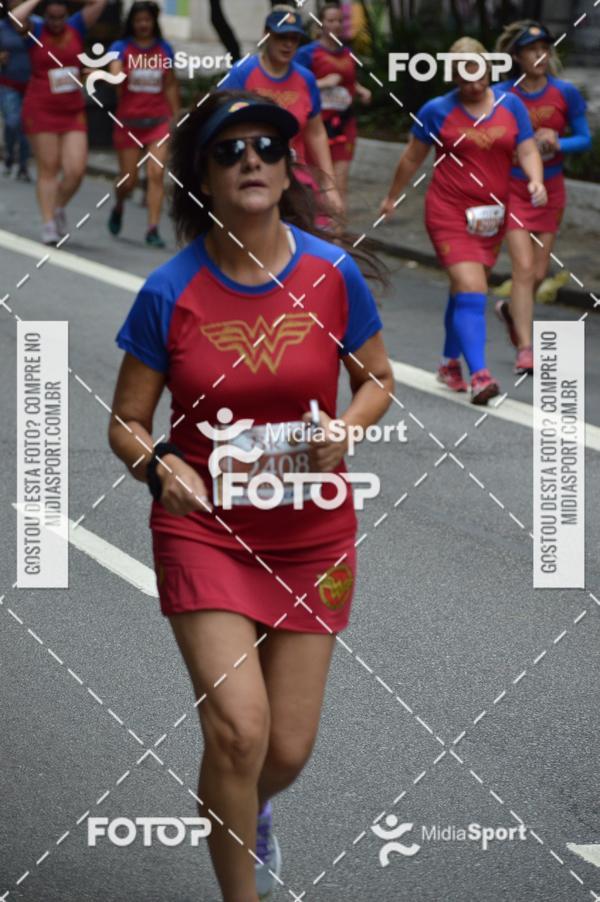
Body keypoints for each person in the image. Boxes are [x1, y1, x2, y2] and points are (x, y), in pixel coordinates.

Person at [109, 90, 393, 901]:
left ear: (286, 163)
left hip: (312, 536)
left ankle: (246, 809)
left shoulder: (331, 275)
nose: (252, 162)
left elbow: (377, 380)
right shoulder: (172, 290)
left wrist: (348, 427)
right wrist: (162, 463)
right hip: (206, 536)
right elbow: (127, 422)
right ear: (204, 173)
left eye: (267, 146)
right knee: (238, 731)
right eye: (230, 151)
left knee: (285, 751)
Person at [380, 37, 547, 403]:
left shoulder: (511, 105)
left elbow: (527, 148)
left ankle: (448, 364)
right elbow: (411, 158)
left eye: (479, 74)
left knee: (464, 291)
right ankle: (480, 375)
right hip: (448, 211)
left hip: (490, 217)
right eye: (464, 77)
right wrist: (393, 196)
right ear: (453, 76)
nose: (473, 85)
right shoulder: (436, 110)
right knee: (472, 288)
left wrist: (534, 179)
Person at [494, 21, 591, 373]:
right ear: (517, 56)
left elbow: (585, 138)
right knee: (521, 269)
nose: (540, 55)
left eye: (544, 49)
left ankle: (510, 311)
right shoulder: (502, 94)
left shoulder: (565, 93)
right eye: (532, 50)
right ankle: (525, 348)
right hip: (514, 188)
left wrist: (556, 142)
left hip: (551, 190)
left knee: (536, 273)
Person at [223, 4, 343, 215]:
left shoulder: (306, 79)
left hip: (296, 181)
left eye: (294, 39)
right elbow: (221, 121)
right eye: (282, 37)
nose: (288, 44)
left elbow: (315, 133)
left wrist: (329, 186)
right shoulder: (242, 73)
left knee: (297, 243)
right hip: (252, 178)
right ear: (266, 35)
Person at [11, 0, 108, 244]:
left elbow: (99, 4)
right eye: (51, 17)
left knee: (76, 170)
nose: (56, 22)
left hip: (72, 111)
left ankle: (58, 207)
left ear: (67, 15)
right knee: (49, 169)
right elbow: (14, 17)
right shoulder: (35, 30)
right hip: (41, 109)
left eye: (61, 17)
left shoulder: (76, 26)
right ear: (45, 15)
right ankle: (48, 224)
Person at [106, 0, 180, 248]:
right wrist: (123, 70)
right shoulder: (121, 47)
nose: (143, 25)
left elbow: (170, 84)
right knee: (128, 181)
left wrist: (175, 117)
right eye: (139, 20)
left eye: (147, 20)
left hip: (158, 122)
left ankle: (152, 229)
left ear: (154, 22)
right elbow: (114, 75)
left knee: (156, 173)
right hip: (128, 123)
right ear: (132, 23)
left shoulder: (164, 49)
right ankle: (118, 204)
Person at [295, 2, 371, 209]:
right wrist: (322, 83)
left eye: (340, 20)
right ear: (321, 24)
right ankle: (318, 231)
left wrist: (360, 89)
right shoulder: (307, 53)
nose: (336, 24)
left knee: (340, 183)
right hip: (317, 125)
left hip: (344, 122)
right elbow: (295, 84)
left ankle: (337, 236)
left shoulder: (347, 52)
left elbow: (347, 81)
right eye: (331, 20)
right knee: (319, 182)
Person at [0, 0, 37, 181]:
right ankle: (8, 154)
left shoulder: (38, 25)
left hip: (32, 84)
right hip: (9, 83)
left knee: (26, 127)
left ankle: (23, 165)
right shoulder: (2, 27)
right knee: (12, 122)